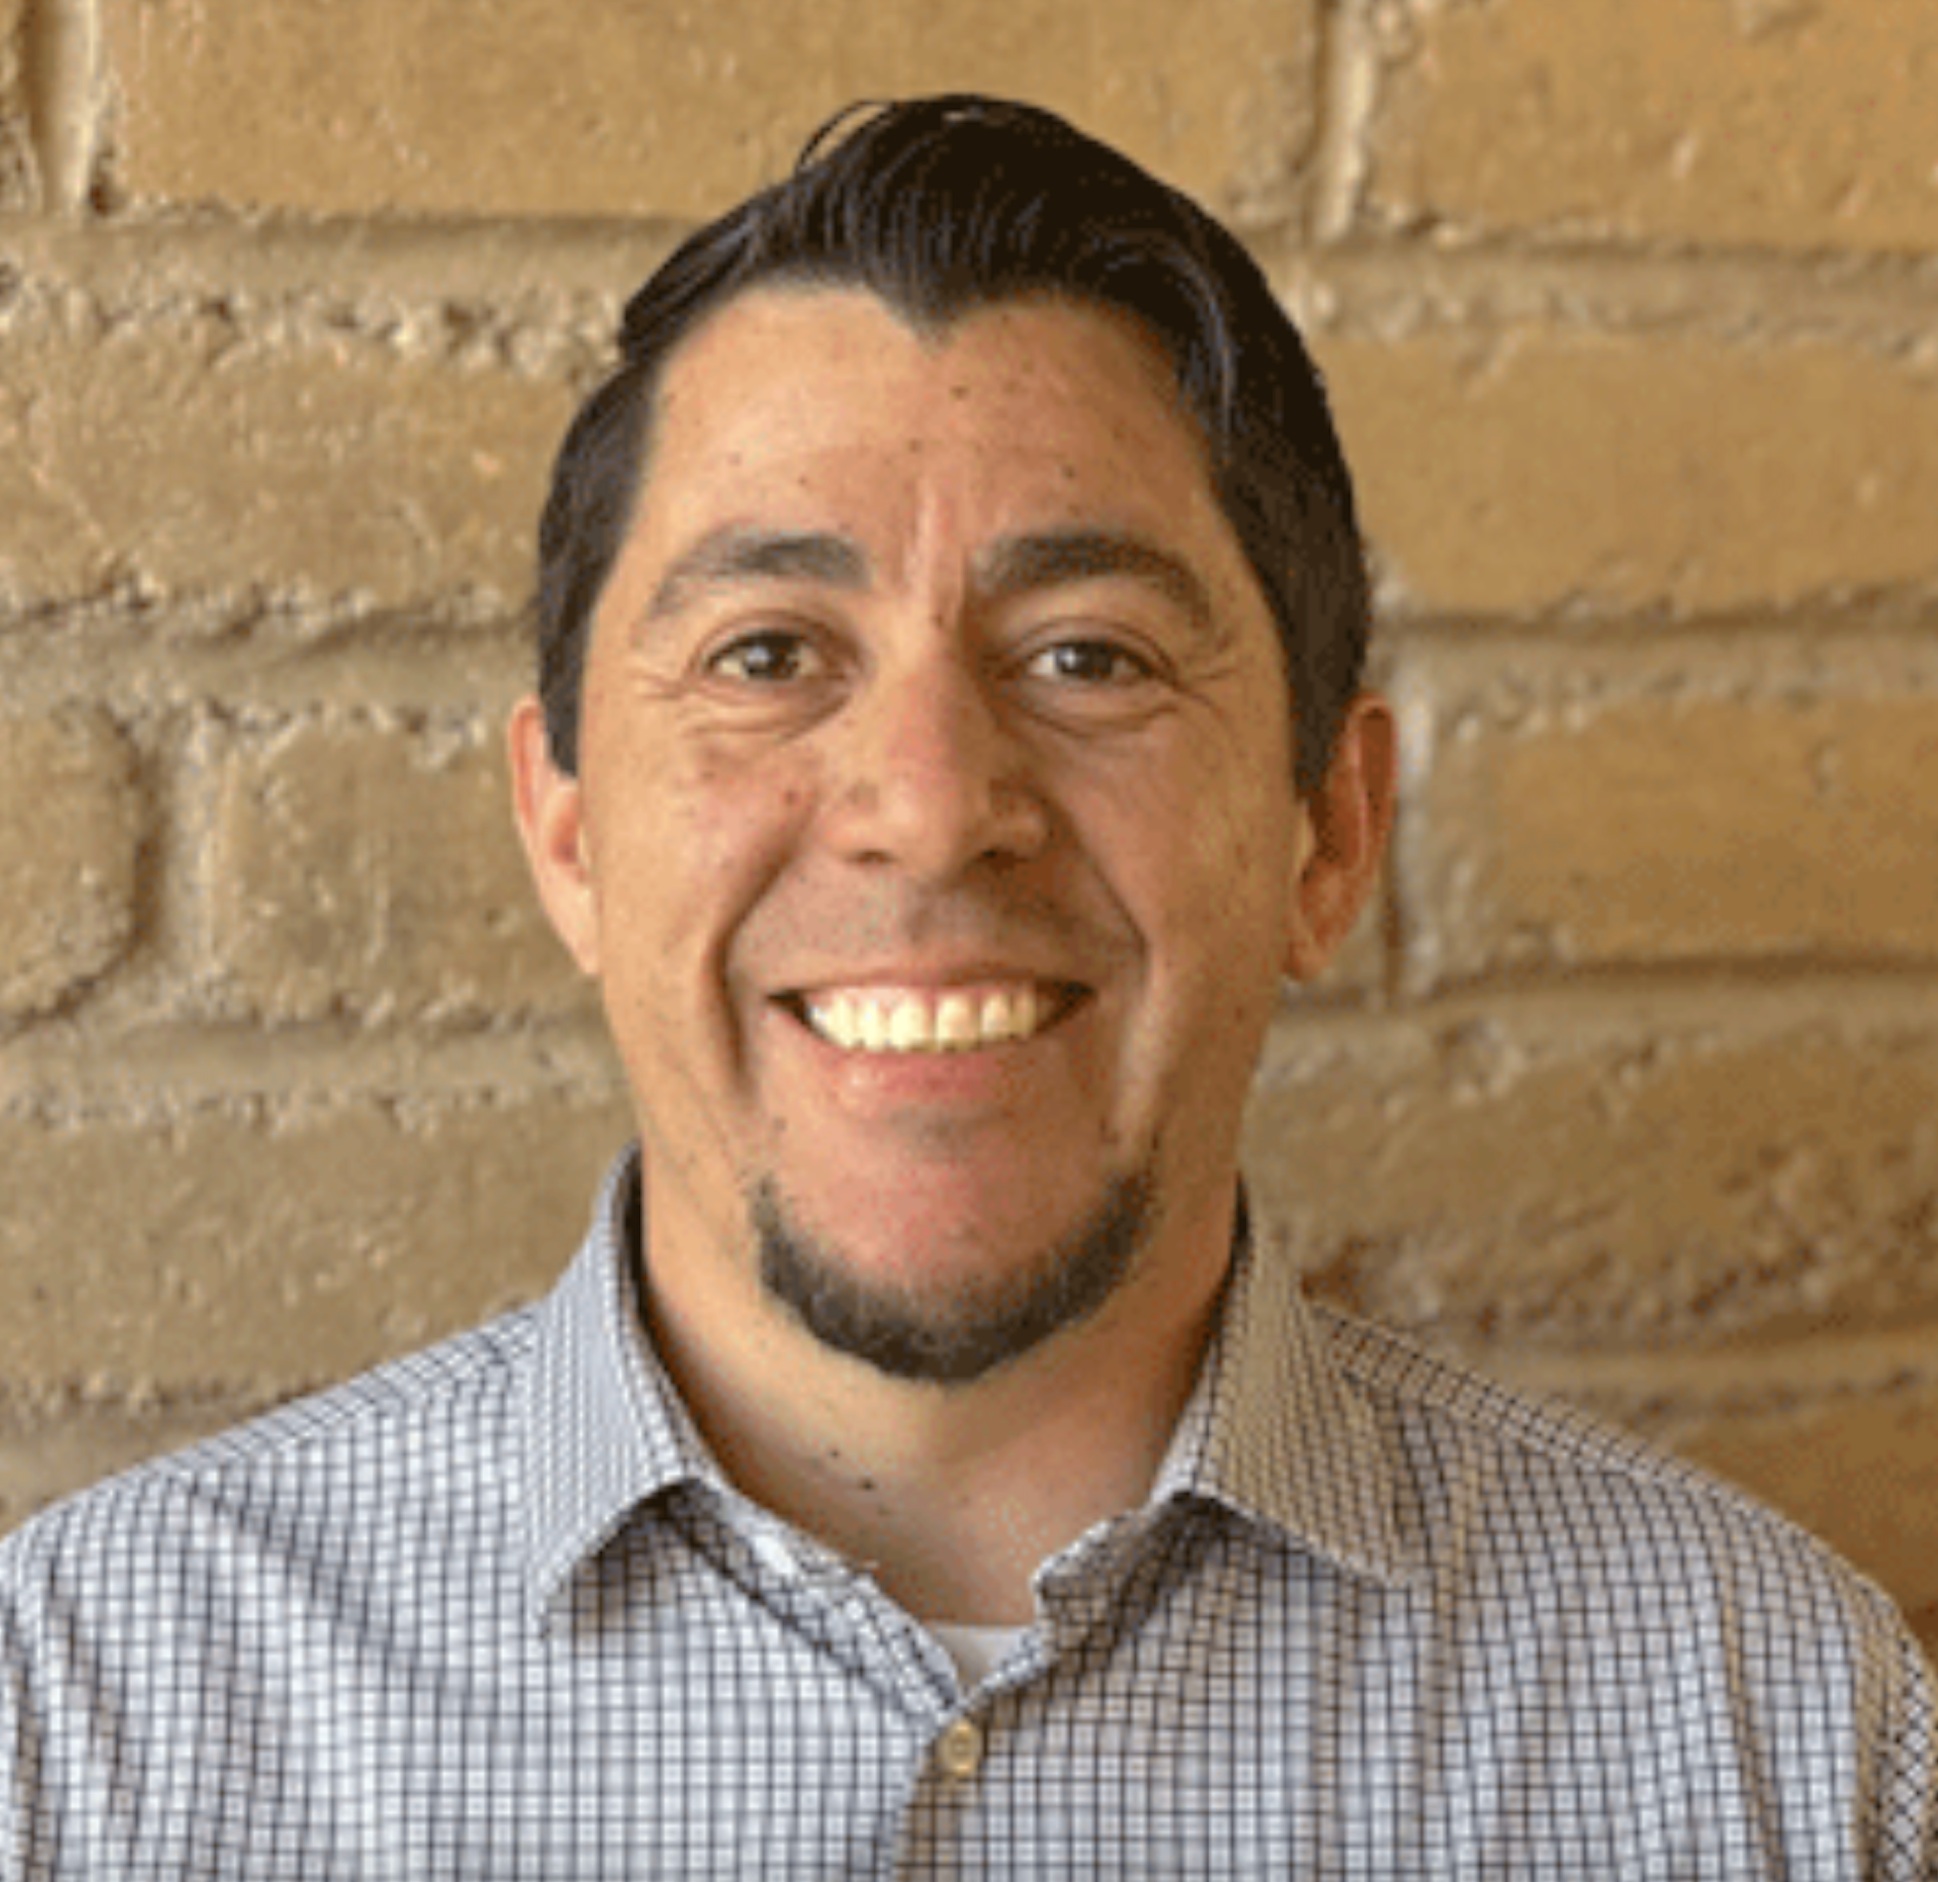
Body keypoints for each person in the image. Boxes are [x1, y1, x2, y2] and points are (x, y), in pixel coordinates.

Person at [2, 95, 1932, 1879]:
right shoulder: (93, 1726)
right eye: (767, 653)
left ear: (1324, 835)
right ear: (570, 832)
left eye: (1087, 654)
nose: (929, 809)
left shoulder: (1769, 1734)